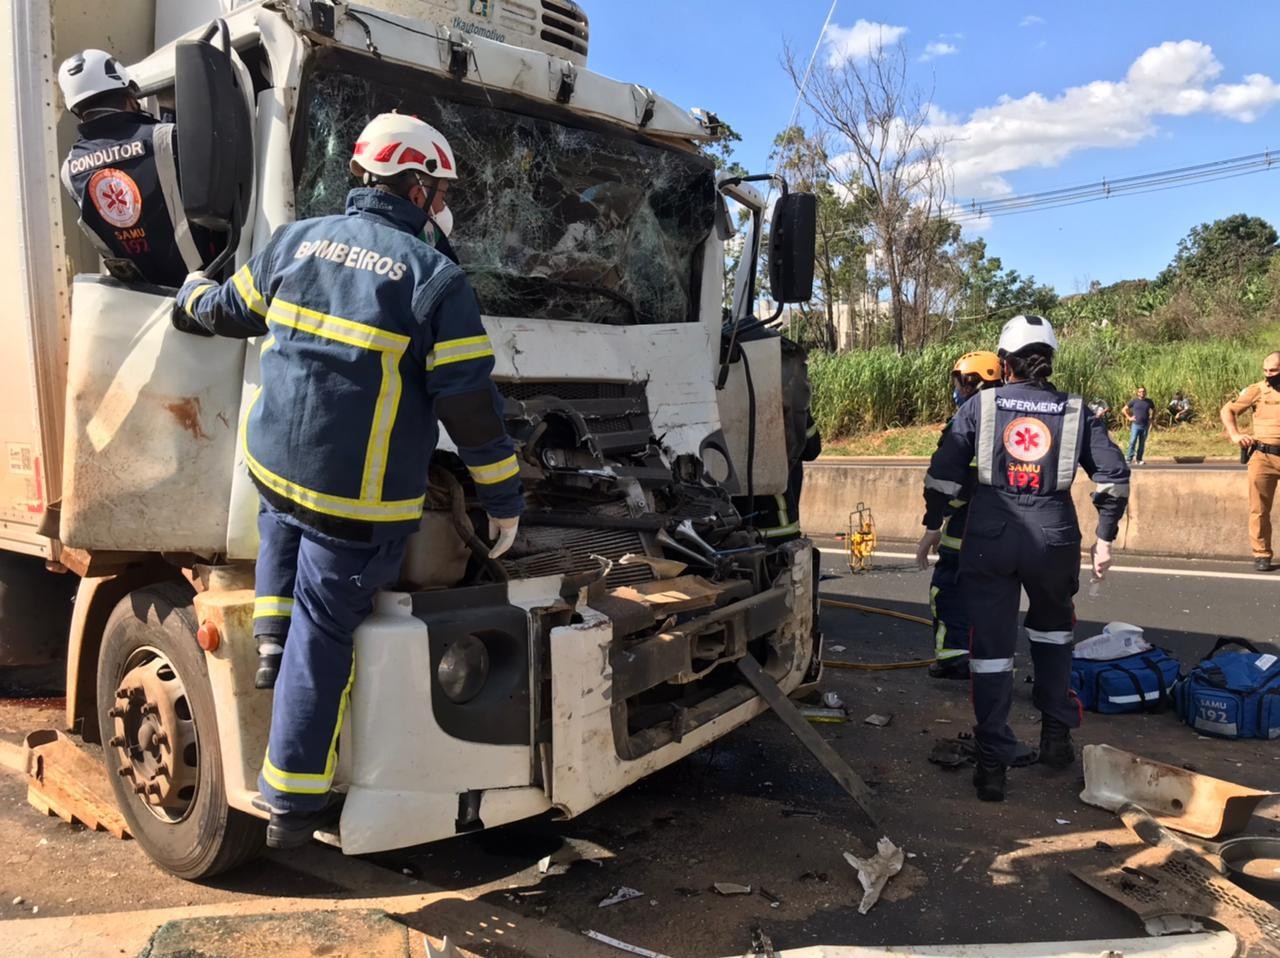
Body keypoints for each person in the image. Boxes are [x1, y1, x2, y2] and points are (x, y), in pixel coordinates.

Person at [171, 113, 522, 847]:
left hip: (276, 470)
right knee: (324, 635)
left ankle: (269, 639)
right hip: (355, 505)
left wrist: (191, 296)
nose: (443, 206)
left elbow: (228, 310)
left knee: (280, 528)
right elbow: (469, 405)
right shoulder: (434, 280)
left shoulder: (295, 242)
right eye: (441, 192)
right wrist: (502, 496)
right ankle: (292, 800)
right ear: (417, 186)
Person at [921, 315, 1129, 802]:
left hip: (989, 536)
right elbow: (1113, 476)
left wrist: (932, 524)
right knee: (1054, 635)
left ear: (1005, 362)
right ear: (1049, 359)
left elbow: (944, 472)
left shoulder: (980, 406)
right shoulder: (1076, 411)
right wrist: (1104, 537)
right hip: (1053, 536)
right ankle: (1056, 737)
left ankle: (992, 764)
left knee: (991, 648)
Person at [57, 49, 218, 287]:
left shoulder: (70, 170)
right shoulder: (166, 138)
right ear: (130, 95)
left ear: (76, 109)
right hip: (204, 284)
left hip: (139, 295)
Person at [915, 350, 1003, 680]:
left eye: (959, 382)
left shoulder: (968, 421)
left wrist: (934, 523)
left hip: (967, 531)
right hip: (1006, 530)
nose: (956, 390)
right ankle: (989, 658)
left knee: (948, 593)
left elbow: (952, 481)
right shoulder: (1012, 418)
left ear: (972, 383)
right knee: (991, 597)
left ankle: (953, 658)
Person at [1219, 351, 1280, 572]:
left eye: (1273, 370)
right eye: (1265, 370)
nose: (1268, 374)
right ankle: (1261, 553)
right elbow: (1228, 410)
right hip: (1263, 457)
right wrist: (1235, 434)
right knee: (1259, 509)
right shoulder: (1257, 390)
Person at [1122, 386, 1156, 465]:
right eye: (1140, 392)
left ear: (1145, 392)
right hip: (1136, 425)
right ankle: (1129, 459)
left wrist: (1152, 418)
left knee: (1142, 443)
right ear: (1137, 393)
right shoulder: (1134, 401)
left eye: (1143, 391)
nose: (1142, 393)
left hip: (1145, 425)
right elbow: (1123, 409)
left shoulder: (1149, 401)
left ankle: (1139, 459)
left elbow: (1154, 409)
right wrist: (1129, 418)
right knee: (1132, 441)